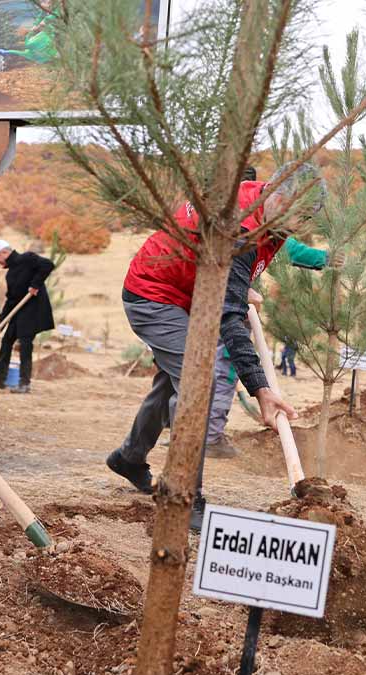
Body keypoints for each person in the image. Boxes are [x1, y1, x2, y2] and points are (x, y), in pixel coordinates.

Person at [108, 165, 313, 532]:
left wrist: (237, 285)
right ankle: (185, 498)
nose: (300, 227)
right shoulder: (240, 228)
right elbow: (230, 321)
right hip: (154, 294)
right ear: (279, 197)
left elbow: (226, 271)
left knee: (174, 383)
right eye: (299, 216)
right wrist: (261, 389)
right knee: (197, 386)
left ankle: (129, 458)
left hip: (187, 297)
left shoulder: (270, 209)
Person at [203, 237, 328, 459]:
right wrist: (325, 258)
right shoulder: (255, 227)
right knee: (225, 371)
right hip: (230, 309)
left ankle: (187, 427)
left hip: (204, 305)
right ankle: (211, 436)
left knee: (197, 367)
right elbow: (291, 249)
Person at [0, 238, 55, 393]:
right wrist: (0, 326)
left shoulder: (27, 258)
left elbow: (48, 265)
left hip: (32, 312)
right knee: (6, 342)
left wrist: (35, 284)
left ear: (4, 252)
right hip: (18, 312)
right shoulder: (10, 274)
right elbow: (11, 301)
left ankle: (24, 383)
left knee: (25, 346)